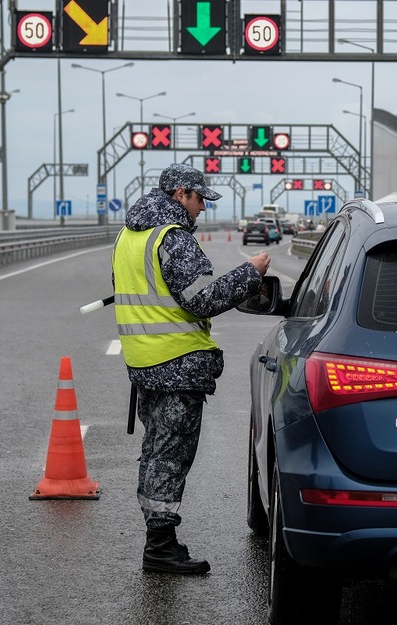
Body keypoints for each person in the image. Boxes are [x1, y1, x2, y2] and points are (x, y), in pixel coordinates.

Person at [112, 163, 271, 575]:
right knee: (169, 457)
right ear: (181, 193)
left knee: (155, 454)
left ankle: (160, 540)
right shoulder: (173, 238)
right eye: (200, 200)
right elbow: (201, 300)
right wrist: (249, 273)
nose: (202, 210)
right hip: (176, 365)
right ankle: (160, 548)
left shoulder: (130, 234)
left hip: (145, 362)